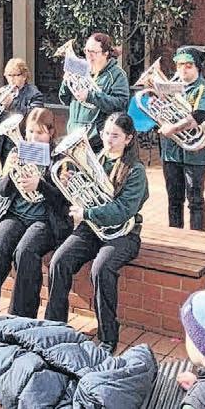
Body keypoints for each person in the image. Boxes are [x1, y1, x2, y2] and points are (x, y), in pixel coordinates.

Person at [46, 112, 148, 353]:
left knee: (101, 269)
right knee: (59, 261)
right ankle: (54, 325)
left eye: (115, 136)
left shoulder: (135, 171)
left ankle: (108, 336)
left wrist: (88, 213)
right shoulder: (96, 159)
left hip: (124, 233)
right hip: (92, 229)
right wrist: (69, 182)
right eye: (106, 134)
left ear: (128, 139)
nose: (108, 139)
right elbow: (80, 196)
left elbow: (123, 210)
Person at [0, 108, 70, 319]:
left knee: (25, 252)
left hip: (45, 220)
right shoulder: (16, 152)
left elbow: (63, 202)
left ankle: (21, 314)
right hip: (16, 214)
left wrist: (41, 185)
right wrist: (10, 172)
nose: (33, 138)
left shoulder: (59, 158)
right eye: (30, 132)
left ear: (51, 133)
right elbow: (3, 191)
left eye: (39, 133)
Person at [159, 47, 205, 231]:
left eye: (188, 65)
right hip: (171, 152)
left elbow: (199, 116)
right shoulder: (170, 87)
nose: (183, 69)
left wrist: (174, 128)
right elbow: (159, 113)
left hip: (195, 154)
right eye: (179, 65)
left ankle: (197, 239)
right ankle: (175, 238)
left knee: (195, 200)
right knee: (173, 200)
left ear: (197, 67)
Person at [59, 33, 130, 153]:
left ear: (105, 53)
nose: (88, 55)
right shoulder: (80, 68)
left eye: (94, 52)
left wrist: (90, 96)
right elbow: (64, 100)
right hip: (74, 135)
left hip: (97, 139)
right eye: (87, 51)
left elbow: (120, 103)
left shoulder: (117, 74)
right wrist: (66, 83)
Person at [0, 57, 44, 162]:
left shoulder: (34, 93)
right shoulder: (3, 91)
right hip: (4, 144)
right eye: (8, 75)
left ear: (24, 76)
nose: (11, 79)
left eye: (15, 75)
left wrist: (12, 104)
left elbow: (34, 117)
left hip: (25, 142)